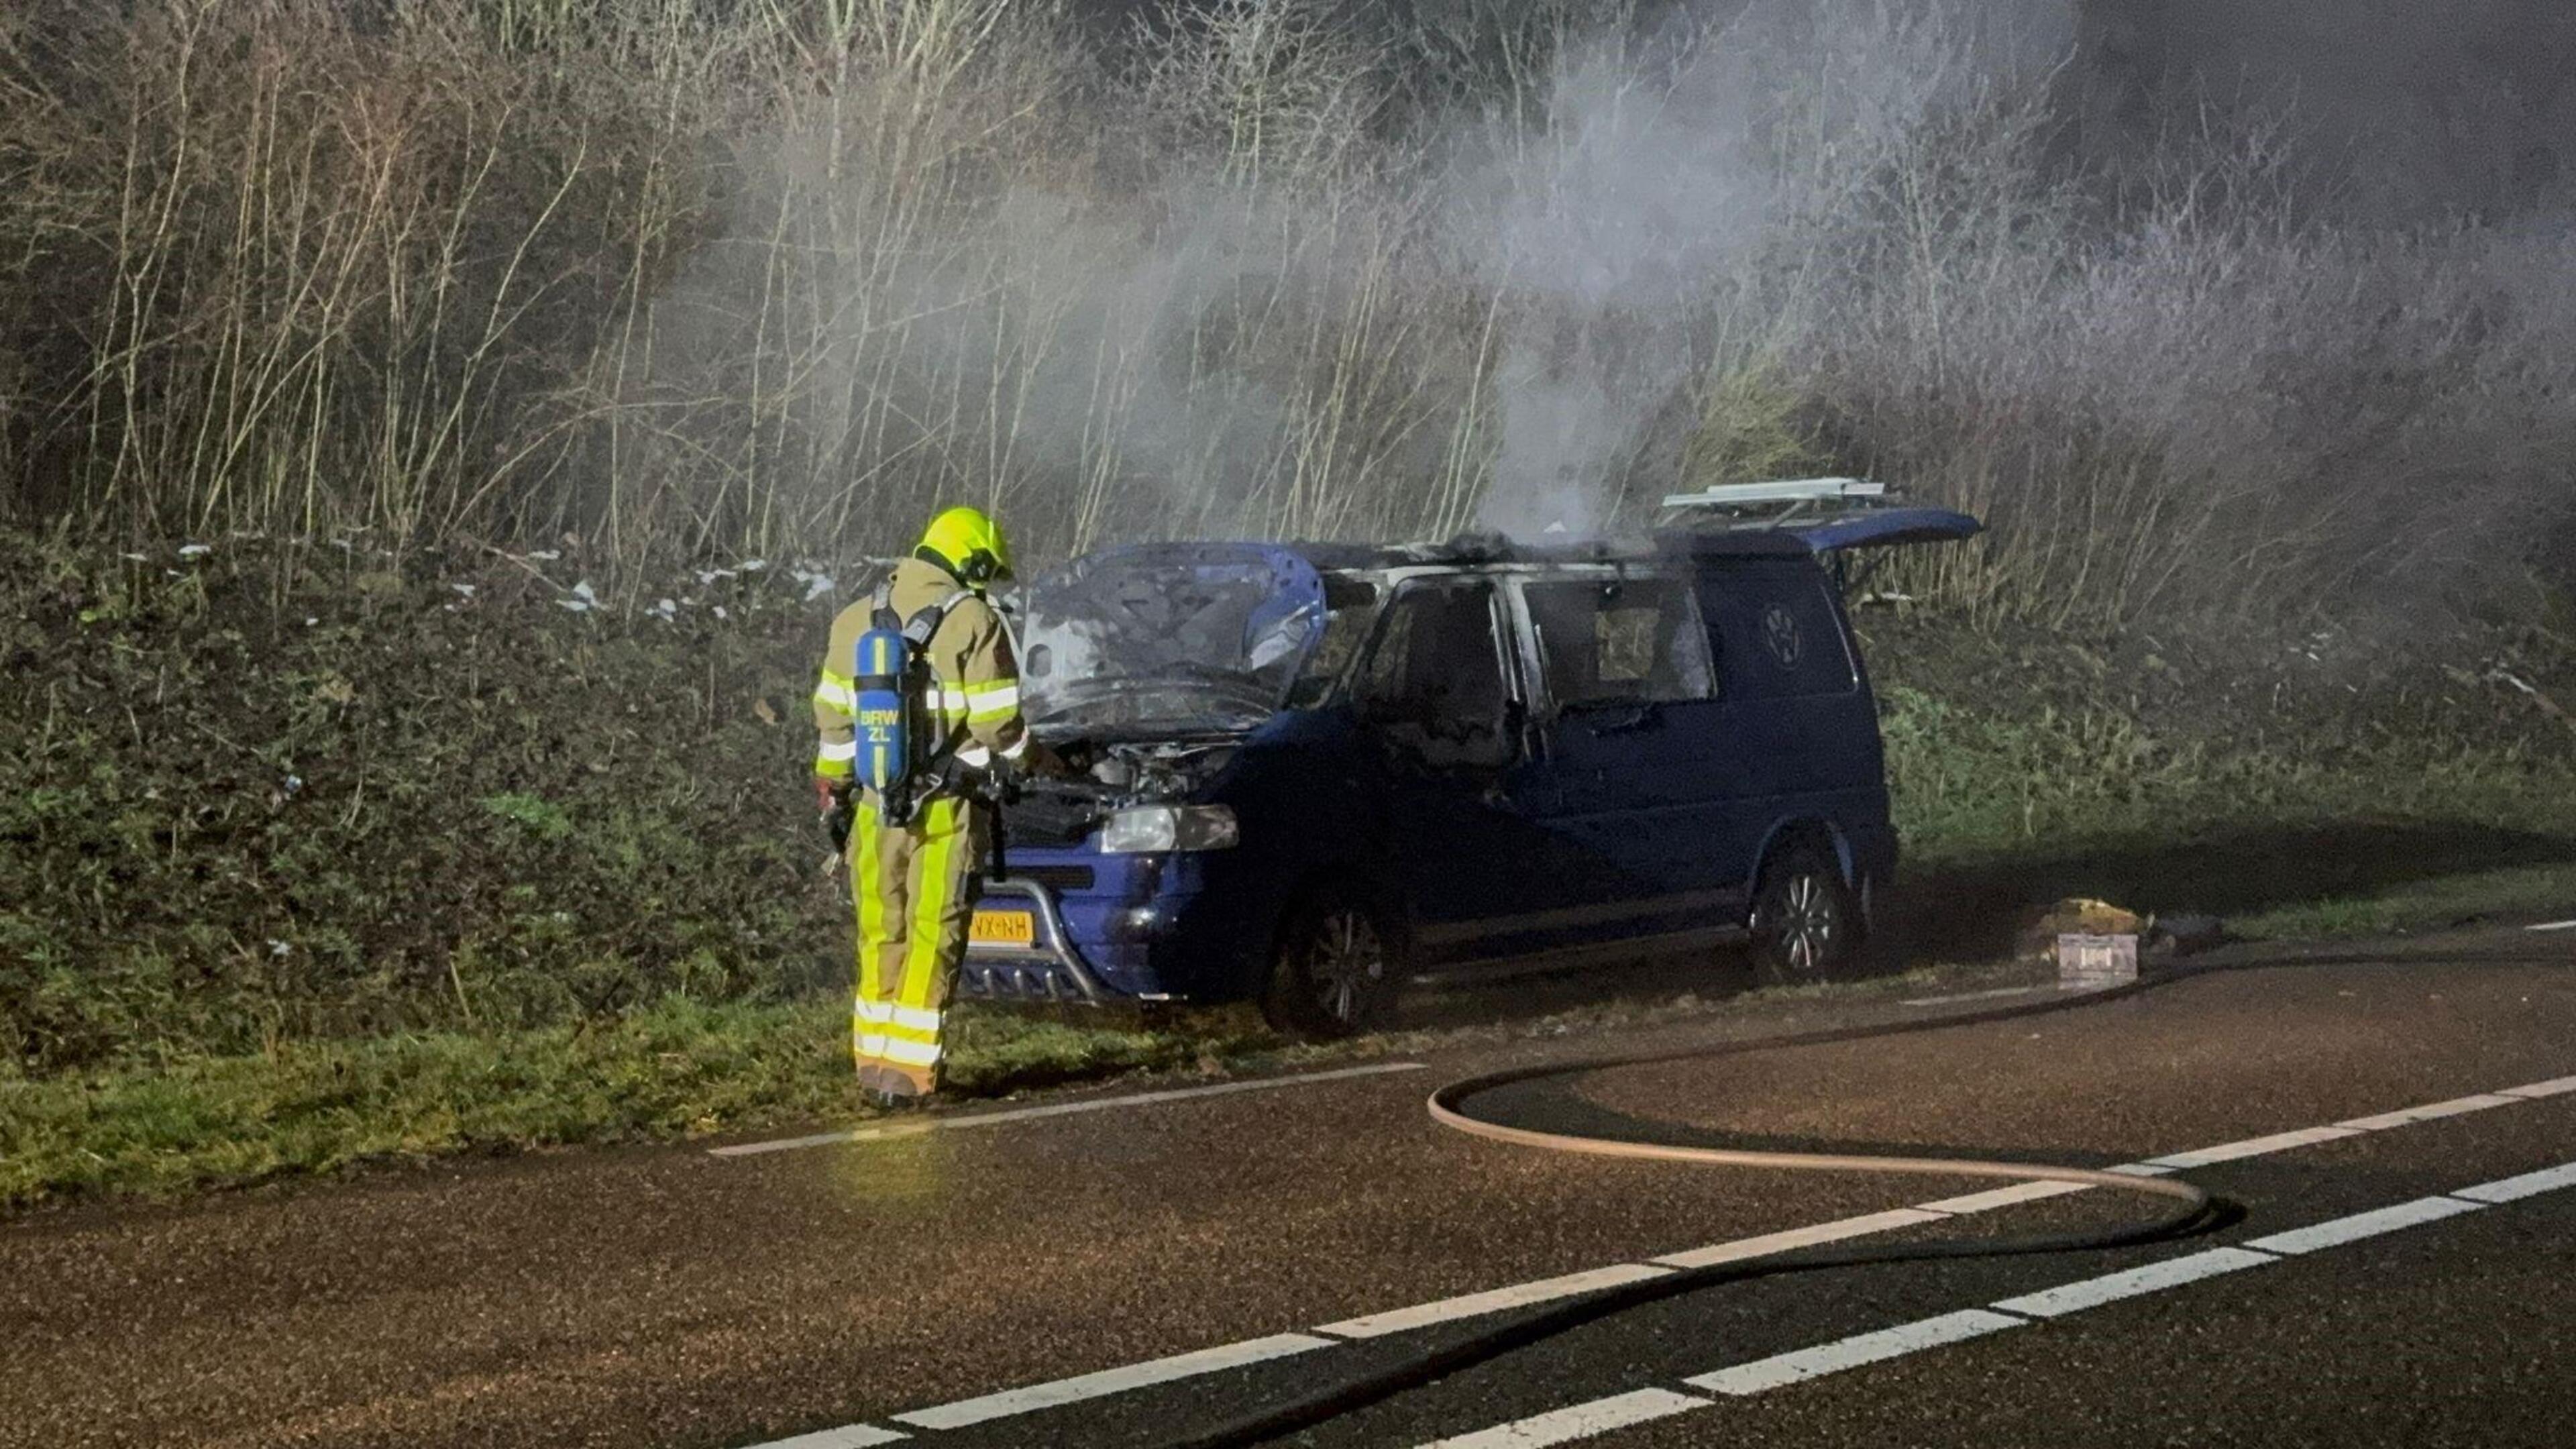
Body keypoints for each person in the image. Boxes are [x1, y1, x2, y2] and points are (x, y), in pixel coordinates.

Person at [810, 506, 1065, 1106]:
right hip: (945, 811)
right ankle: (912, 1078)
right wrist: (1044, 762)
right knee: (933, 933)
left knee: (881, 935)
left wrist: (836, 797)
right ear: (973, 560)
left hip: (873, 811)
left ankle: (874, 1073)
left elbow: (832, 729)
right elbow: (999, 727)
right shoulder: (973, 618)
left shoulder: (854, 619)